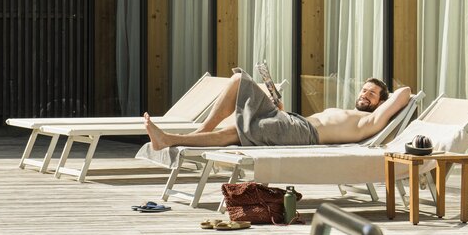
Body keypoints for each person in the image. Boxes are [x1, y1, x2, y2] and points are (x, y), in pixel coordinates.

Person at [145, 73, 411, 150]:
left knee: (235, 132)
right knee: (238, 80)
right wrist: (281, 108)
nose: (364, 94)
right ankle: (194, 134)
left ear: (380, 102)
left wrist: (387, 100)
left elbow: (405, 92)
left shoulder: (372, 121)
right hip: (292, 123)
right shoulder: (353, 113)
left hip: (304, 134)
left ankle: (171, 139)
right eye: (363, 90)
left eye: (371, 93)